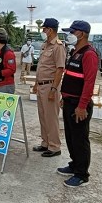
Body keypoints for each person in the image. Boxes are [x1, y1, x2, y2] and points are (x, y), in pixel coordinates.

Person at [58, 21, 99, 187]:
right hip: (69, 101)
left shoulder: (89, 54)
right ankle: (74, 164)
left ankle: (82, 174)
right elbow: (70, 76)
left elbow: (89, 83)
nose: (69, 35)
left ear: (81, 34)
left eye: (72, 32)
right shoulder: (75, 52)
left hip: (78, 104)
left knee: (80, 139)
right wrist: (64, 96)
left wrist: (82, 106)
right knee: (71, 137)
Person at [32, 18, 67, 157]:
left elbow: (60, 69)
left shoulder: (58, 47)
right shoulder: (45, 45)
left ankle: (54, 147)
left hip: (50, 86)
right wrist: (36, 83)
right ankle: (45, 142)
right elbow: (41, 67)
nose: (43, 31)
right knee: (43, 116)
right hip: (41, 85)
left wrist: (53, 89)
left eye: (44, 29)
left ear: (50, 30)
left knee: (51, 117)